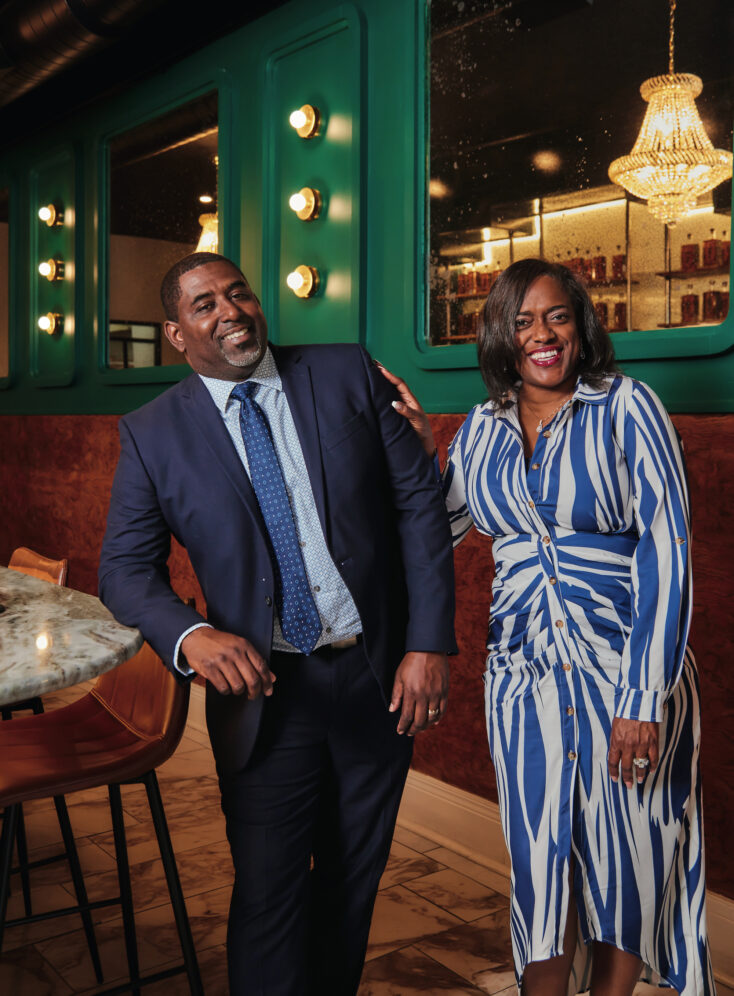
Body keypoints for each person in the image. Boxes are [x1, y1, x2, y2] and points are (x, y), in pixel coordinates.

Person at [98, 251, 456, 996]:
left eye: (239, 294)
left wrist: (427, 641)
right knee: (270, 896)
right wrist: (192, 637)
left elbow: (419, 503)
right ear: (175, 331)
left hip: (376, 678)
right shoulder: (151, 433)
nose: (230, 311)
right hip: (265, 699)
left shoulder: (346, 370)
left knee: (352, 887)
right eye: (205, 305)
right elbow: (125, 571)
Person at [382, 257, 714, 996]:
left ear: (581, 324)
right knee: (540, 862)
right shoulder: (481, 428)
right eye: (524, 319)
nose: (542, 334)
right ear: (501, 331)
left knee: (627, 856)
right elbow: (439, 528)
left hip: (625, 671)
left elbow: (667, 548)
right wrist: (412, 446)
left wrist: (642, 699)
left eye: (557, 316)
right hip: (523, 677)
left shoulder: (629, 407)